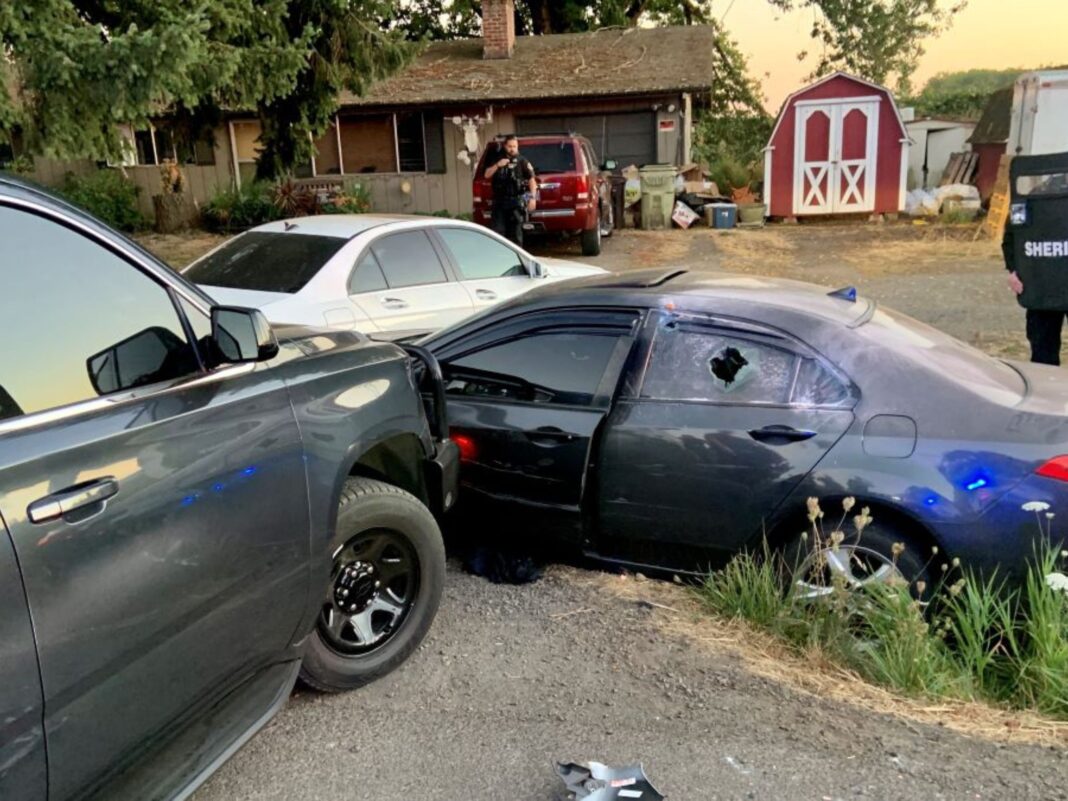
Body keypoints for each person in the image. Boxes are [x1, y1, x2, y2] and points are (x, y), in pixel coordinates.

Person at [484, 135, 537, 245]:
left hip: (516, 201)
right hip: (499, 202)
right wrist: (498, 165)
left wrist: (532, 199)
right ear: (505, 146)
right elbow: (486, 175)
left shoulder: (522, 161)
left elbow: (532, 181)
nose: (512, 149)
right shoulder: (497, 158)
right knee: (498, 233)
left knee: (516, 234)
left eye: (515, 146)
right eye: (510, 146)